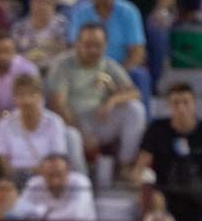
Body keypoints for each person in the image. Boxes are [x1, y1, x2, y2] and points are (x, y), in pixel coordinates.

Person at [46, 22, 146, 172]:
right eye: (88, 45)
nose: (93, 50)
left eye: (98, 45)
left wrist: (112, 101)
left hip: (100, 119)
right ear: (77, 44)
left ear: (105, 45)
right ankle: (82, 179)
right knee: (71, 135)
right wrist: (82, 133)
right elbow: (58, 105)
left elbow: (135, 93)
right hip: (72, 123)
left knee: (135, 109)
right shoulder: (63, 65)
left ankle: (125, 165)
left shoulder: (108, 64)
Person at [133, 81, 202, 221]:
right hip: (164, 194)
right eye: (176, 103)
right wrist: (145, 188)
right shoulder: (157, 130)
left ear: (194, 103)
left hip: (200, 195)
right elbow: (141, 167)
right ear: (169, 105)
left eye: (186, 102)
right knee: (152, 199)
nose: (181, 108)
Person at [67, 0, 151, 103]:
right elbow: (74, 48)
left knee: (140, 76)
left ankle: (145, 122)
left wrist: (118, 74)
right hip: (88, 67)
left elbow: (138, 52)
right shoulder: (80, 13)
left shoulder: (129, 12)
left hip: (123, 68)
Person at [0, 74, 68, 181]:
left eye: (32, 94)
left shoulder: (54, 122)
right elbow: (2, 159)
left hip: (46, 178)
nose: (27, 100)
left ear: (41, 96)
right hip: (14, 178)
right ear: (15, 98)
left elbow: (57, 159)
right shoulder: (5, 124)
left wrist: (35, 172)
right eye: (21, 95)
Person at [9, 153, 96, 221]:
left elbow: (76, 215)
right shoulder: (34, 183)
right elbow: (19, 210)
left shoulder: (81, 183)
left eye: (59, 175)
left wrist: (42, 213)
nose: (55, 181)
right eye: (50, 175)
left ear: (68, 172)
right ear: (42, 173)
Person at [13, 0, 68, 72]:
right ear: (30, 2)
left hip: (53, 72)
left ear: (54, 4)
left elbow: (64, 54)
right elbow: (14, 57)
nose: (42, 6)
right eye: (37, 1)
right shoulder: (19, 27)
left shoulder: (62, 25)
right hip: (26, 73)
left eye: (46, 2)